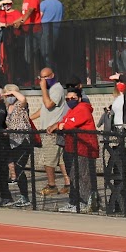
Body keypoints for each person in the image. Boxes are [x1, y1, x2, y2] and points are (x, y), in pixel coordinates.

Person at [49, 83, 99, 213]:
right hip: (74, 147)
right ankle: (75, 202)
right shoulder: (72, 110)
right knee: (74, 175)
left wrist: (60, 125)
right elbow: (63, 122)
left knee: (82, 176)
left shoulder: (83, 108)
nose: (70, 101)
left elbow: (68, 125)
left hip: (84, 147)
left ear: (79, 98)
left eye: (73, 98)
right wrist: (60, 124)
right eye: (68, 99)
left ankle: (85, 202)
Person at [33, 67, 68, 196]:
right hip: (46, 130)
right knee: (59, 159)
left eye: (46, 77)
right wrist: (28, 118)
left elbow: (49, 105)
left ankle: (51, 185)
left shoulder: (56, 89)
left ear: (52, 75)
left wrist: (43, 88)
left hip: (51, 132)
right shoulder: (49, 91)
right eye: (41, 78)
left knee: (49, 160)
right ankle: (67, 183)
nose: (43, 80)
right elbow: (43, 110)